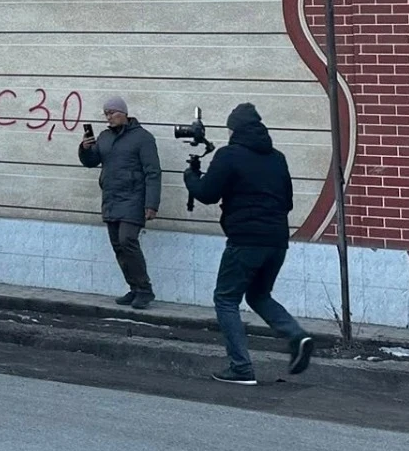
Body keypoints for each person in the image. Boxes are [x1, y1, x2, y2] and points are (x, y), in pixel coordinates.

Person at [182, 102, 316, 385]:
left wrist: (191, 178)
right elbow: (288, 201)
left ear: (234, 129)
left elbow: (207, 194)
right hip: (277, 240)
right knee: (258, 295)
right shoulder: (277, 158)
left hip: (245, 240)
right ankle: (296, 335)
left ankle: (241, 367)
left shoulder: (228, 155)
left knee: (226, 298)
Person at [77, 95, 161, 309]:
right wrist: (85, 149)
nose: (109, 117)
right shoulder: (104, 137)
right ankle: (134, 288)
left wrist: (151, 204)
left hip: (134, 199)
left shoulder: (143, 138)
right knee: (118, 246)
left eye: (112, 113)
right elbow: (92, 161)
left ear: (124, 113)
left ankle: (145, 290)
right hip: (111, 198)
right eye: (106, 114)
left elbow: (153, 172)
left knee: (127, 241)